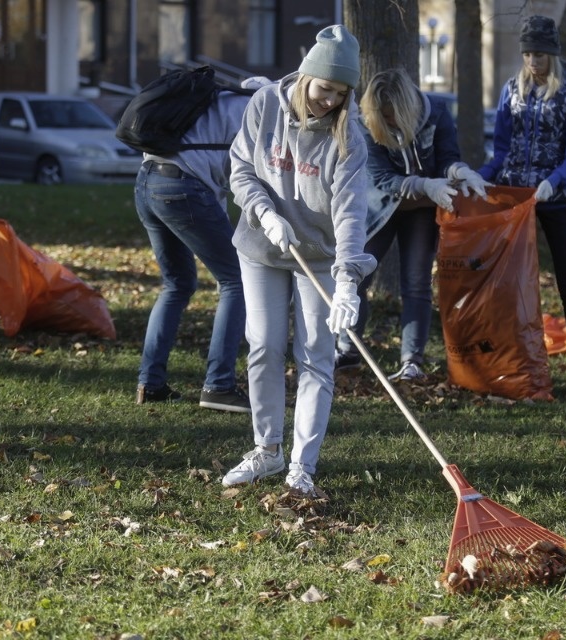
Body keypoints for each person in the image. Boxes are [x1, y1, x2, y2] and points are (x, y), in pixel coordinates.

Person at [221, 25, 376, 496]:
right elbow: (241, 167)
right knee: (264, 345)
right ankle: (266, 451)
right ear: (306, 77)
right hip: (263, 246)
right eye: (325, 88)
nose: (330, 100)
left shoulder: (349, 136)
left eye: (341, 94)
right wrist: (264, 212)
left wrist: (348, 279)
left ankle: (301, 466)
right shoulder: (265, 104)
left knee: (316, 356)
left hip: (321, 256)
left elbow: (351, 214)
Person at [479, 15, 566, 398]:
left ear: (553, 54)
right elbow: (501, 152)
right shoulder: (511, 90)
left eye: (540, 54)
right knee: (508, 285)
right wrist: (478, 175)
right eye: (527, 54)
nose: (533, 61)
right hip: (514, 201)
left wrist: (552, 183)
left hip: (553, 198)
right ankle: (503, 365)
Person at [335, 68, 489, 380]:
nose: (389, 124)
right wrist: (427, 185)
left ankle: (411, 361)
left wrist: (458, 170)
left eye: (393, 117)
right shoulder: (367, 120)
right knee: (357, 277)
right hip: (379, 205)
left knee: (416, 282)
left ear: (408, 109)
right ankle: (347, 349)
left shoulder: (438, 113)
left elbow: (447, 157)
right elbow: (381, 178)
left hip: (420, 209)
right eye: (384, 119)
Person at [134, 77, 271, 412]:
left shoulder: (215, 101)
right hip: (182, 188)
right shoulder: (259, 112)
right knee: (236, 280)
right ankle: (218, 386)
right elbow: (243, 179)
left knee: (177, 284)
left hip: (146, 181)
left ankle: (150, 383)